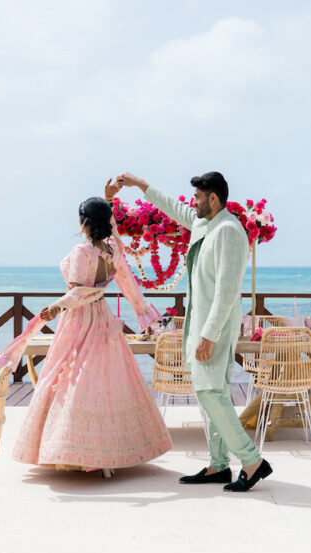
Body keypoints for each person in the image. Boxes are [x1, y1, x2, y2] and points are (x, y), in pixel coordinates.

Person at [116, 171, 272, 492]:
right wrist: (141, 185)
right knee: (210, 393)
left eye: (199, 197)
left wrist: (209, 335)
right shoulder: (204, 224)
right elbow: (173, 207)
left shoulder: (229, 231)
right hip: (202, 326)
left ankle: (251, 460)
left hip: (213, 329)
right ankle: (218, 465)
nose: (194, 203)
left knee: (210, 392)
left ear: (213, 198)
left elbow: (227, 292)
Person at [9, 180, 172, 473]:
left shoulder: (83, 251)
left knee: (68, 376)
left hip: (79, 318)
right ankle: (108, 450)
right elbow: (125, 283)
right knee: (102, 381)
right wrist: (145, 315)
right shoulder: (112, 249)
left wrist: (58, 306)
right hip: (103, 318)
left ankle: (73, 451)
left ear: (84, 222)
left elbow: (78, 292)